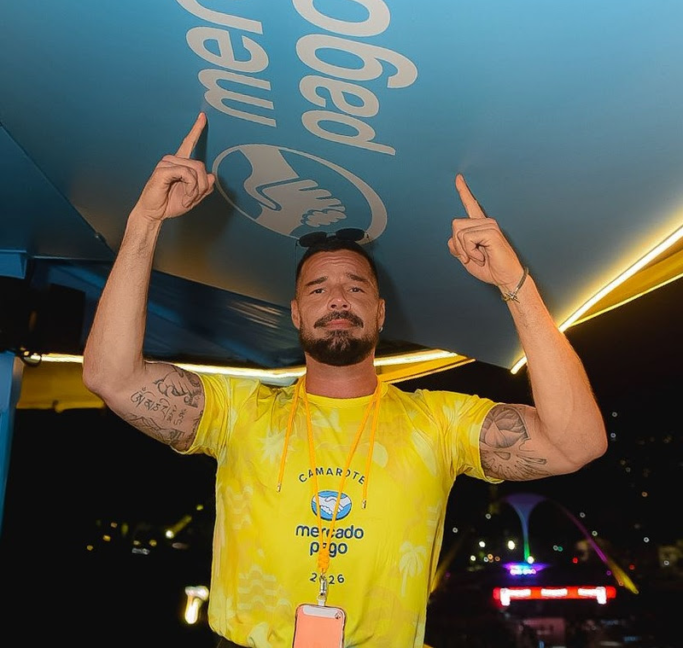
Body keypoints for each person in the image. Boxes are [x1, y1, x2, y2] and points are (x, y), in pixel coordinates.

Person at [82, 112, 607, 648]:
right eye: (317, 289)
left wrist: (515, 283)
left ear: (380, 312)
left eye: (356, 288)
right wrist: (144, 221)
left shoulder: (439, 422)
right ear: (295, 313)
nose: (337, 298)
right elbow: (110, 376)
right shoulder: (237, 409)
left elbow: (577, 444)